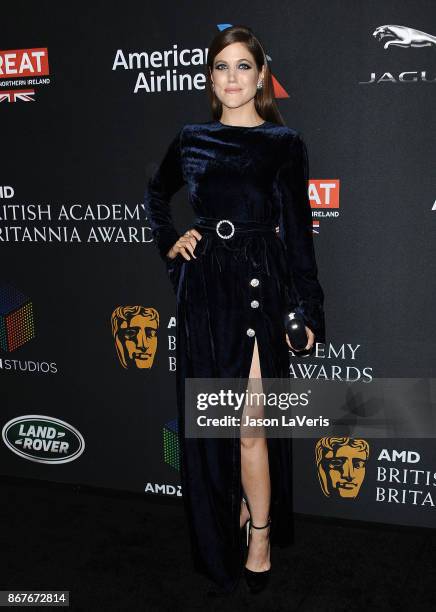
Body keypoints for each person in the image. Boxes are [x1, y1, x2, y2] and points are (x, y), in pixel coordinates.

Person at [144, 24, 326, 596]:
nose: (231, 78)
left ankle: (261, 534)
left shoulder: (283, 144)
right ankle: (229, 523)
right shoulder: (191, 138)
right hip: (204, 292)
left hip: (257, 285)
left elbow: (299, 235)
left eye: (242, 66)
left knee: (249, 426)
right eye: (221, 67)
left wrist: (308, 309)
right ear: (210, 78)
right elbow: (156, 193)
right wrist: (173, 245)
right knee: (213, 427)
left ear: (261, 75)